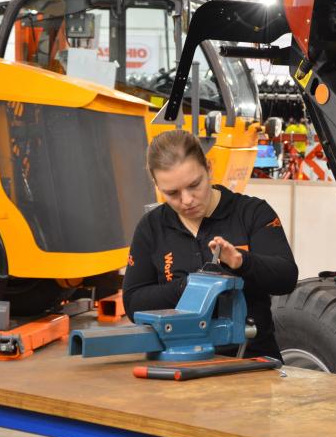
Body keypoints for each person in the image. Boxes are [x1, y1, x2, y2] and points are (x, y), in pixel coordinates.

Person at [123, 130, 298, 360]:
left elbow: (286, 277)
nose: (187, 200)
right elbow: (133, 304)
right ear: (156, 185)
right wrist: (189, 286)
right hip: (178, 361)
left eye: (194, 185)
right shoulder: (151, 228)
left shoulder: (252, 213)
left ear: (209, 168)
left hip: (253, 362)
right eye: (172, 193)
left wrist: (241, 262)